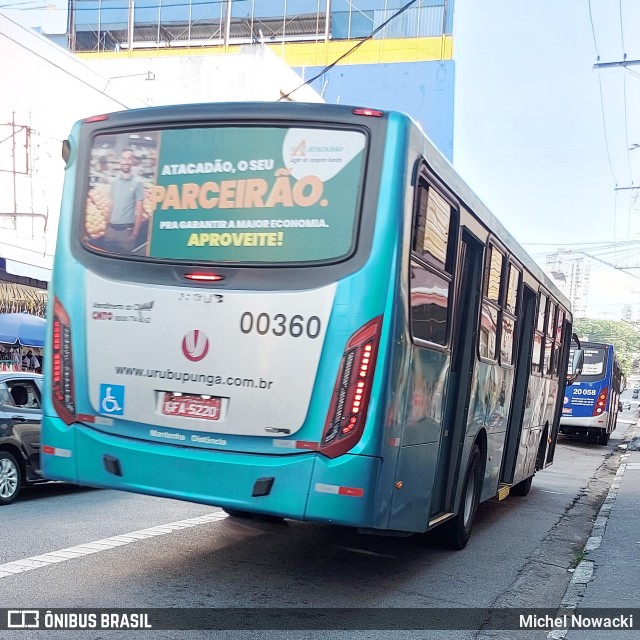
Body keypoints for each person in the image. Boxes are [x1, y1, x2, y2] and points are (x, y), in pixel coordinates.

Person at [103, 148, 145, 253]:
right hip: (111, 231)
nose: (126, 161)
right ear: (120, 161)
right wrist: (106, 228)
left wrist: (134, 234)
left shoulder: (138, 183)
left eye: (129, 159)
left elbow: (140, 211)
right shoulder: (114, 182)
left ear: (133, 161)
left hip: (126, 233)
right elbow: (110, 206)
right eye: (124, 158)